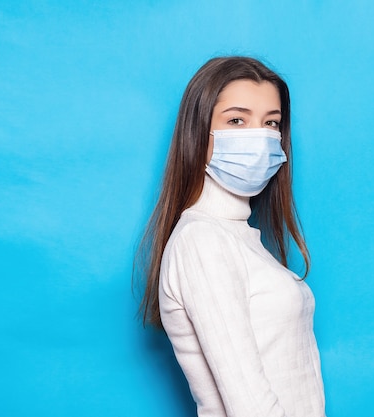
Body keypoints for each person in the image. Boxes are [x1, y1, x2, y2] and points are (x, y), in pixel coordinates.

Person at [135, 56, 326, 417]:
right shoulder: (202, 241)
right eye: (237, 120)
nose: (259, 136)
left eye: (271, 123)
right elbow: (250, 406)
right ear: (198, 131)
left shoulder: (238, 238)